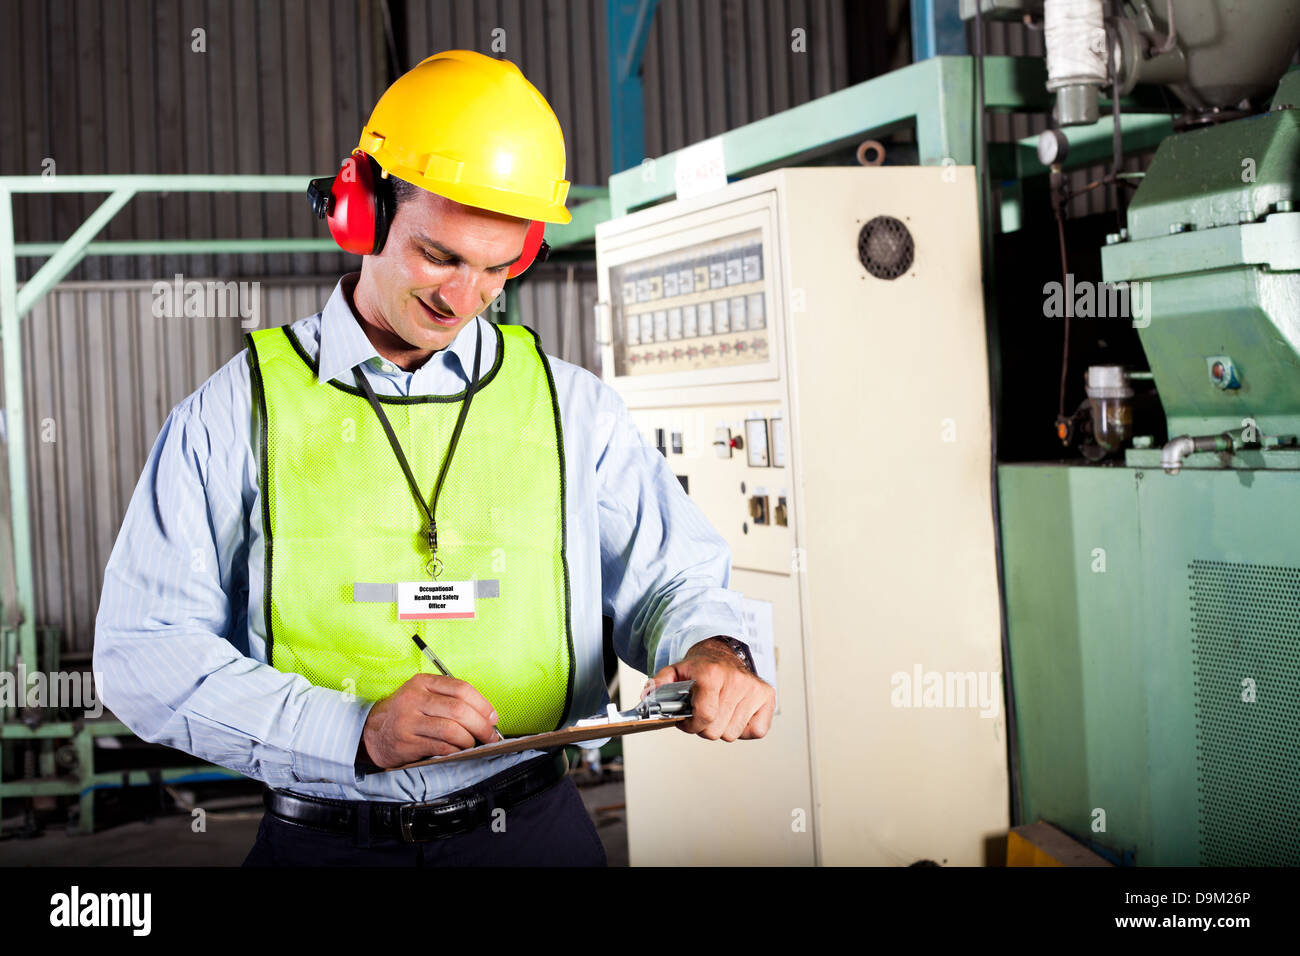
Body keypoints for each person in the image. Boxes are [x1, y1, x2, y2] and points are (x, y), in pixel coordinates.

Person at [93, 49, 774, 867]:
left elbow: (672, 578)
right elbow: (144, 651)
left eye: (498, 269)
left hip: (534, 830)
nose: (462, 300)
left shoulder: (574, 410)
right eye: (439, 257)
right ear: (362, 210)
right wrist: (354, 730)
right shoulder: (234, 414)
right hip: (326, 841)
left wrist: (714, 649)